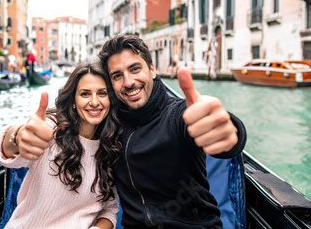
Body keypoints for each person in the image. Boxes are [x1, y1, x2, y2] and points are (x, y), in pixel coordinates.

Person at [96, 35, 247, 228]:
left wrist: (226, 130)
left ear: (151, 70)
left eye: (135, 69)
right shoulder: (111, 121)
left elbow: (216, 130)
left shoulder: (178, 115)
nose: (128, 82)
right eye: (117, 76)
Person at [0, 63, 122, 228]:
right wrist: (17, 137)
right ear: (74, 101)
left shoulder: (111, 147)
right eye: (85, 94)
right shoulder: (51, 130)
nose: (94, 102)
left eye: (102, 93)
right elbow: (10, 152)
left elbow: (110, 209)